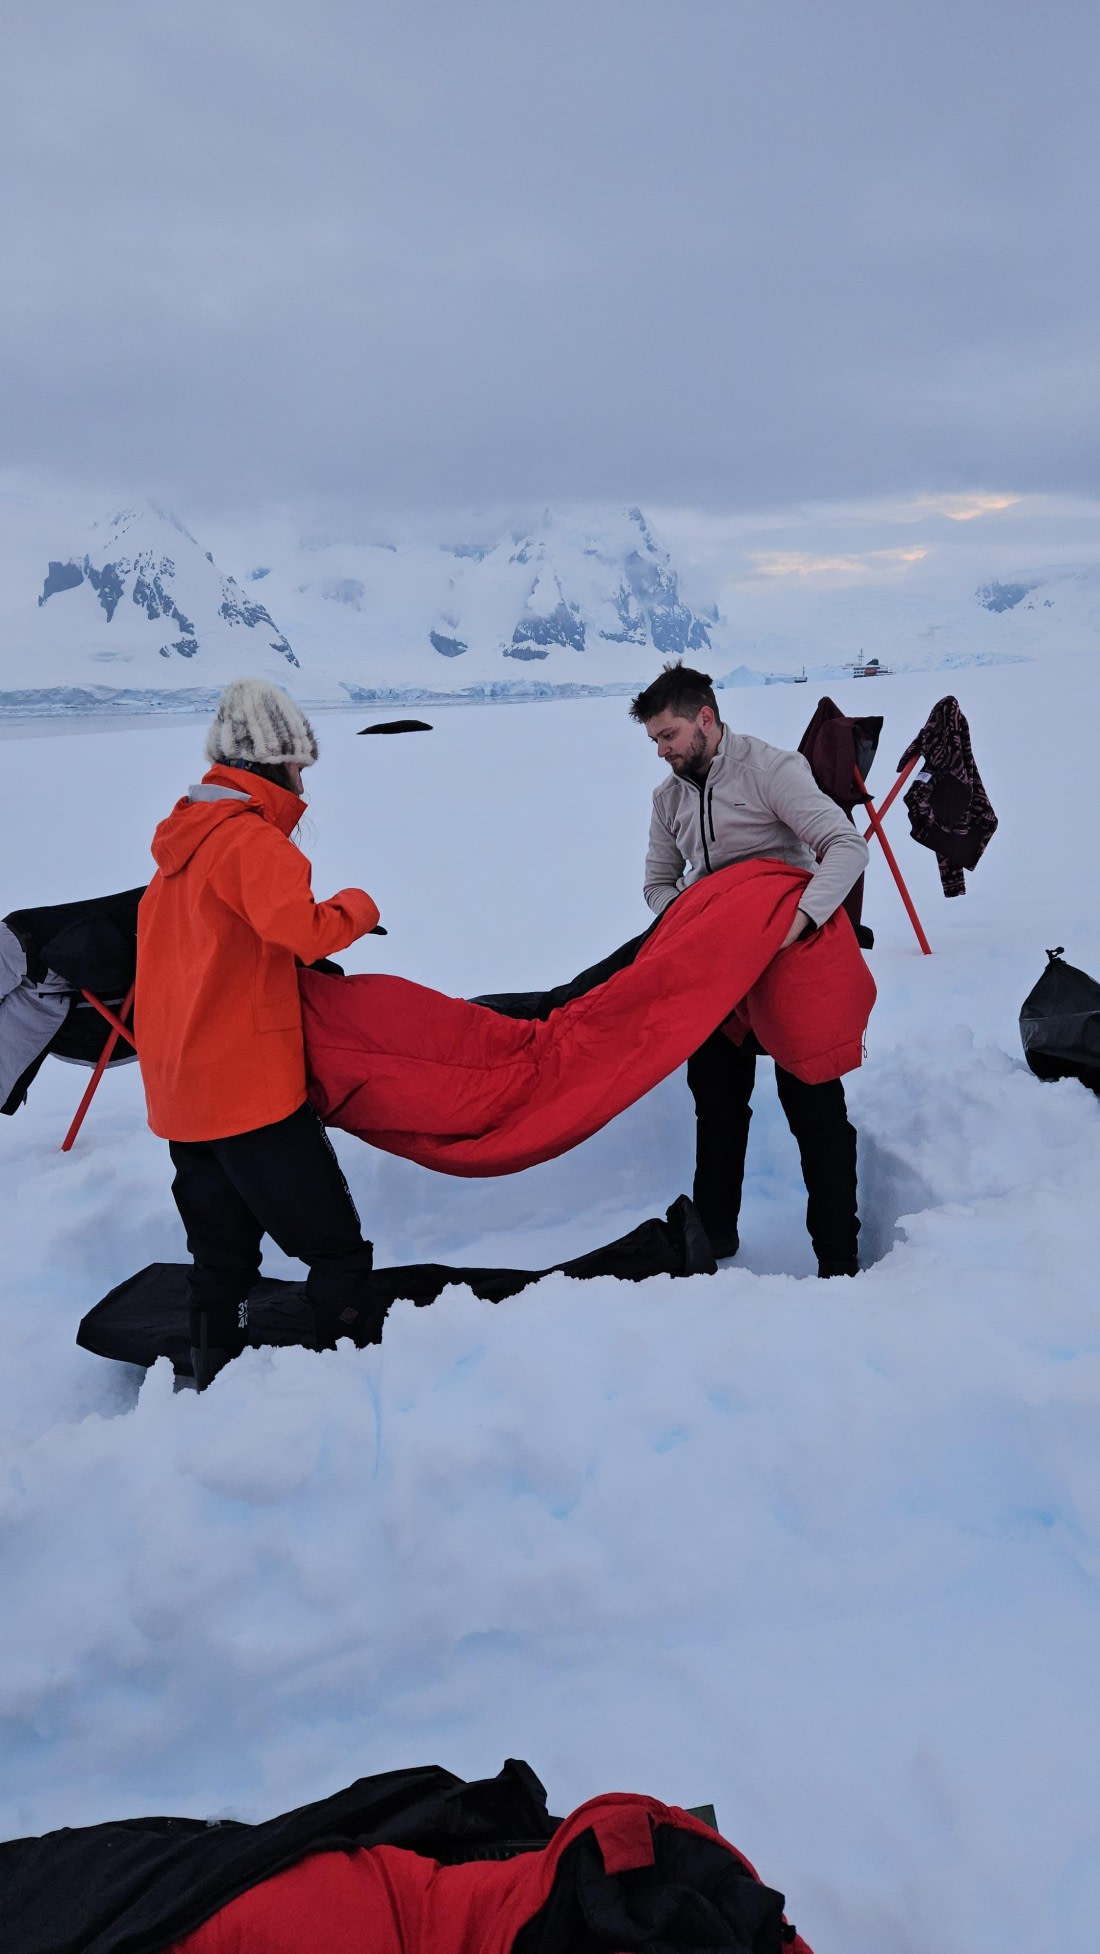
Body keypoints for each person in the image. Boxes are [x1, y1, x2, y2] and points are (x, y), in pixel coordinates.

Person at [134, 678, 384, 1387]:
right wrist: (358, 908)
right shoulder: (248, 841)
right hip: (249, 1095)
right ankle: (352, 1374)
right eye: (300, 765)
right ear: (273, 761)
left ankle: (216, 1367)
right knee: (333, 1246)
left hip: (184, 1096)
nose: (305, 781)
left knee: (221, 1254)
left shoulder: (181, 846)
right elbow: (302, 931)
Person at [630, 662, 870, 1277]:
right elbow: (658, 884)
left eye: (669, 736)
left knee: (815, 1110)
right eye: (655, 740)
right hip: (714, 972)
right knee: (716, 1104)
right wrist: (694, 917)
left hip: (789, 962)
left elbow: (846, 847)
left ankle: (839, 1260)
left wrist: (797, 924)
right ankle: (716, 1236)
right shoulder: (668, 799)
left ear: (704, 719)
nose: (662, 751)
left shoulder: (771, 771)